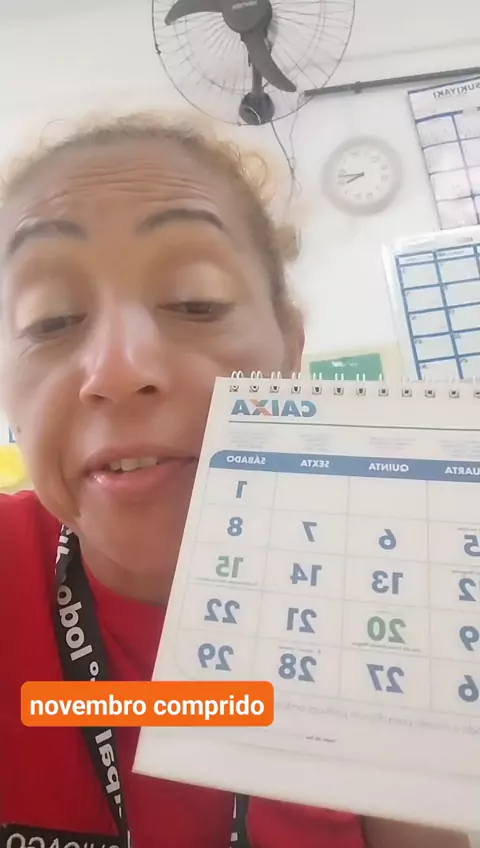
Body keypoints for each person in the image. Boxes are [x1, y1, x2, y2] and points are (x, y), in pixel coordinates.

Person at [0, 113, 470, 848]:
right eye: (51, 320)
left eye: (196, 302)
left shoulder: (396, 589)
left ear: (289, 349)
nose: (118, 369)